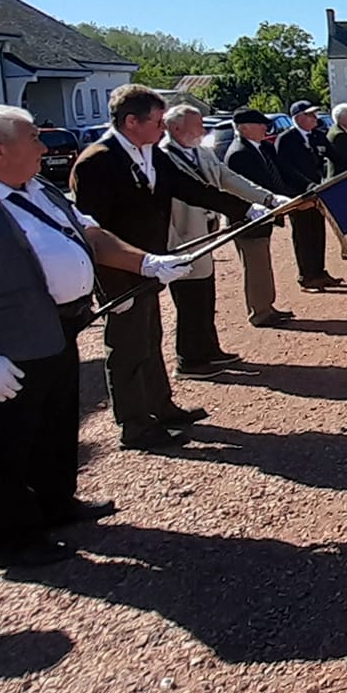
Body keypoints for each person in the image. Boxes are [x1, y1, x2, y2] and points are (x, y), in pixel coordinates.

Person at [0, 106, 195, 570]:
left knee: (54, 427)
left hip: (54, 331)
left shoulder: (38, 191)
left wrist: (146, 262)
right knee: (1, 445)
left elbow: (93, 236)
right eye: (33, 139)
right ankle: (10, 538)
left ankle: (56, 504)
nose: (45, 147)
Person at [70, 85, 266, 450]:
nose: (163, 130)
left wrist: (243, 208)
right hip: (121, 273)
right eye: (158, 122)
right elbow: (94, 232)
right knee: (127, 347)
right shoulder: (97, 161)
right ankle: (134, 424)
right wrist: (112, 283)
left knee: (150, 339)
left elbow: (189, 188)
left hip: (150, 267)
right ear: (131, 122)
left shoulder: (149, 154)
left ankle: (160, 406)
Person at [160, 105, 289, 374]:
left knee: (205, 293)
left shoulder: (201, 152)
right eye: (197, 125)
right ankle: (190, 358)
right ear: (176, 129)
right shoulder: (163, 157)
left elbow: (228, 178)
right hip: (180, 235)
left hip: (205, 232)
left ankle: (207, 348)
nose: (203, 130)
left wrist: (266, 198)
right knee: (189, 296)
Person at [222, 110, 296, 326]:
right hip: (248, 220)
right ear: (244, 128)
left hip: (264, 217)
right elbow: (255, 187)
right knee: (255, 266)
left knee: (262, 264)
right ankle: (260, 312)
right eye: (260, 124)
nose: (266, 128)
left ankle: (267, 306)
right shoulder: (239, 154)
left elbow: (282, 173)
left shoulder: (263, 148)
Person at [274, 102, 341, 290]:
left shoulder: (318, 136)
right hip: (299, 195)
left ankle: (319, 272)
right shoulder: (286, 139)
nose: (315, 118)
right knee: (303, 234)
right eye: (310, 115)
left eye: (315, 114)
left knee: (318, 232)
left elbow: (336, 157)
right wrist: (306, 186)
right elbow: (285, 169)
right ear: (298, 118)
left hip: (317, 193)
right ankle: (306, 276)